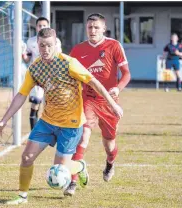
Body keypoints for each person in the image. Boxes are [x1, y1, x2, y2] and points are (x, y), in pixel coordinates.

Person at [0, 28, 123, 205]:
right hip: (47, 122)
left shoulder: (69, 63)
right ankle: (22, 196)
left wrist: (113, 104)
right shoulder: (35, 68)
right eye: (42, 45)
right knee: (26, 157)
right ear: (37, 45)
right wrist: (4, 119)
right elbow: (22, 95)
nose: (45, 49)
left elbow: (94, 82)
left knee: (60, 170)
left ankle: (80, 165)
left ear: (56, 45)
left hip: (71, 124)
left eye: (49, 45)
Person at [65, 13, 131, 196]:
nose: (92, 30)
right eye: (89, 27)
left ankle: (110, 164)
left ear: (103, 28)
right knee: (83, 136)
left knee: (109, 144)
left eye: (96, 27)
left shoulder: (114, 46)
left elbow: (126, 74)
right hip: (88, 99)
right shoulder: (78, 50)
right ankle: (72, 182)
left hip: (109, 102)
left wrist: (117, 88)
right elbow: (69, 74)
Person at [22, 17, 62, 130]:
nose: (42, 27)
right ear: (36, 27)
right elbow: (27, 59)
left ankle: (55, 130)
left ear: (49, 26)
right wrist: (22, 53)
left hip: (52, 77)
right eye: (40, 25)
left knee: (53, 104)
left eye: (44, 25)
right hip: (37, 76)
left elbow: (58, 59)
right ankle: (34, 133)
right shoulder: (31, 41)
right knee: (36, 103)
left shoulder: (56, 41)